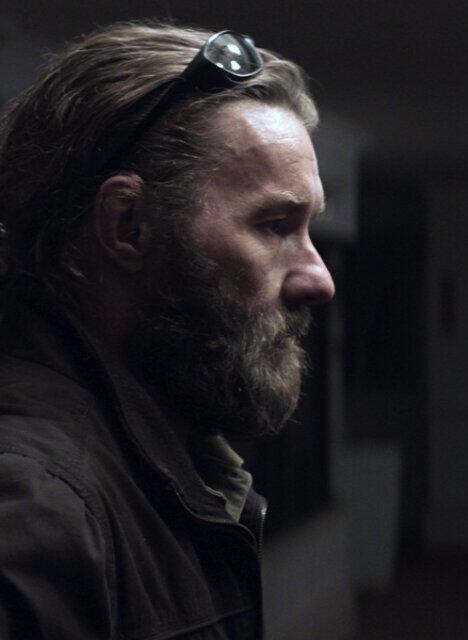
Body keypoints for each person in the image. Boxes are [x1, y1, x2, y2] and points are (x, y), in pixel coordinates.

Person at [0, 21, 334, 638]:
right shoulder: (37, 506)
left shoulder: (162, 462)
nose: (319, 279)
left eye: (308, 228)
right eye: (273, 226)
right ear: (128, 225)